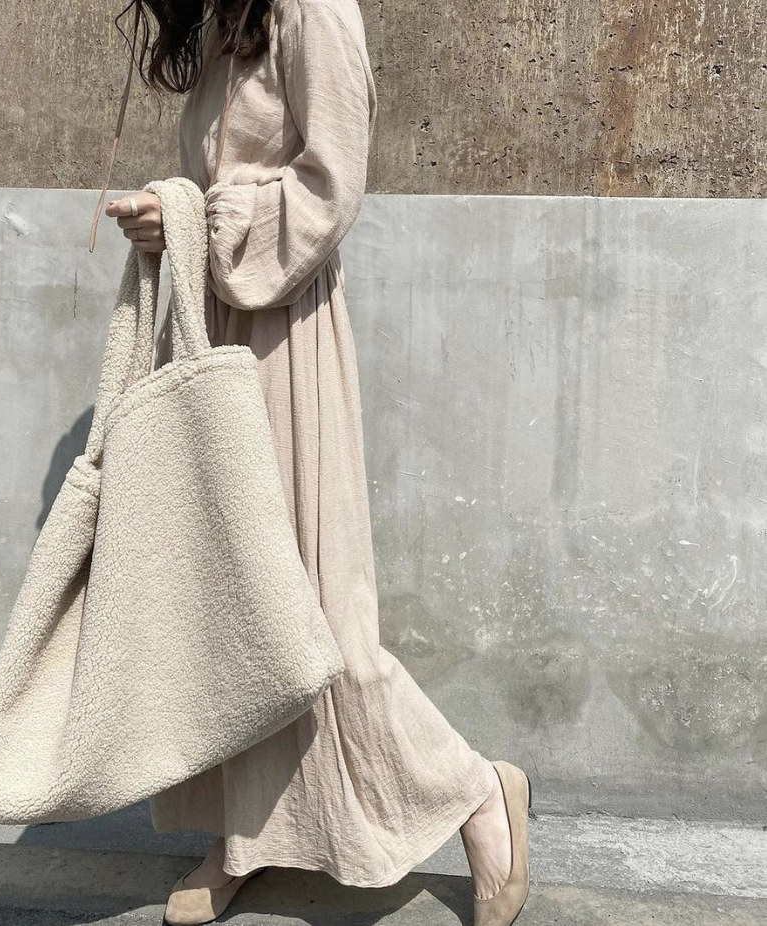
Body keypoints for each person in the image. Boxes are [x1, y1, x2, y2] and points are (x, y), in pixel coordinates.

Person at [103, 2, 531, 924]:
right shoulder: (224, 21)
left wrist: (204, 219)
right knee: (231, 602)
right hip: (214, 323)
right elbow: (225, 178)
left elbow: (332, 183)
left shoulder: (312, 8)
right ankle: (248, 834)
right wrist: (169, 217)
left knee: (318, 612)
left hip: (283, 330)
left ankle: (477, 788)